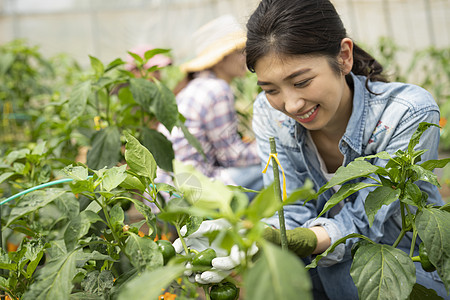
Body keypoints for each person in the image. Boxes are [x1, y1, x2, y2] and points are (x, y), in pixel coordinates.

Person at [173, 0, 448, 299]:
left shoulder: (405, 113)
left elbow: (368, 221)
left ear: (343, 56)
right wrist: (239, 240)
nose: (290, 105)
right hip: (314, 279)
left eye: (301, 81)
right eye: (271, 90)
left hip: (405, 276)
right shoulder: (271, 115)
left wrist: (293, 238)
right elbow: (288, 210)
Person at [168, 15, 263, 200]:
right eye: (240, 51)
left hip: (167, 191)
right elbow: (232, 157)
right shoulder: (217, 89)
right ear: (220, 58)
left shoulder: (197, 85)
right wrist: (271, 149)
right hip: (192, 192)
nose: (246, 56)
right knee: (274, 170)